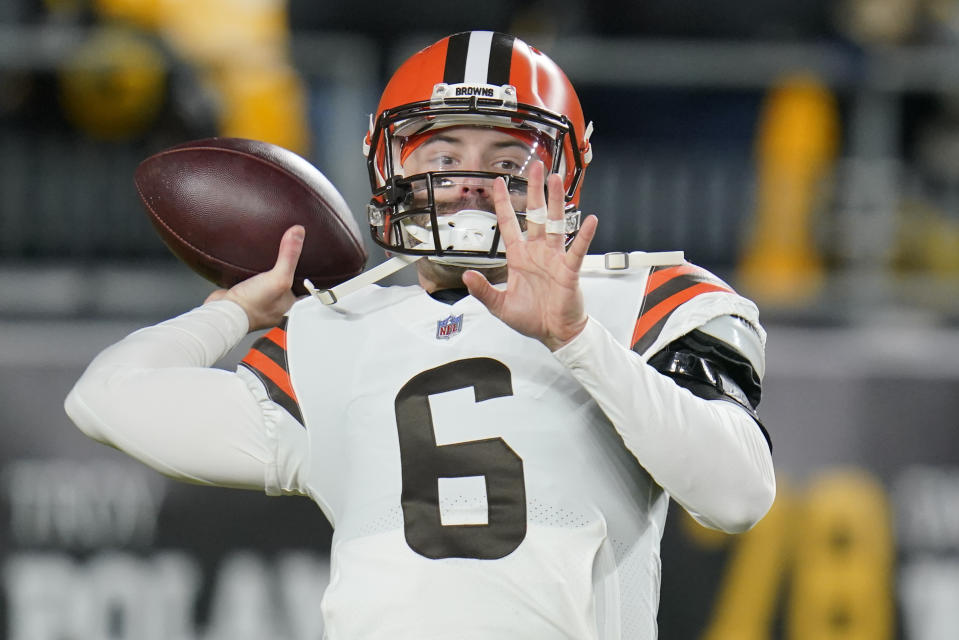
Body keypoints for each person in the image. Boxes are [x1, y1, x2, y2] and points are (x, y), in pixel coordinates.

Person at [65, 31, 775, 639]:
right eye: (442, 157)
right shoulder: (332, 334)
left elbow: (737, 495)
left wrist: (577, 340)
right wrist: (235, 311)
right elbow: (103, 398)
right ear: (389, 164)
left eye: (505, 162)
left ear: (567, 173)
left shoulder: (640, 300)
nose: (470, 182)